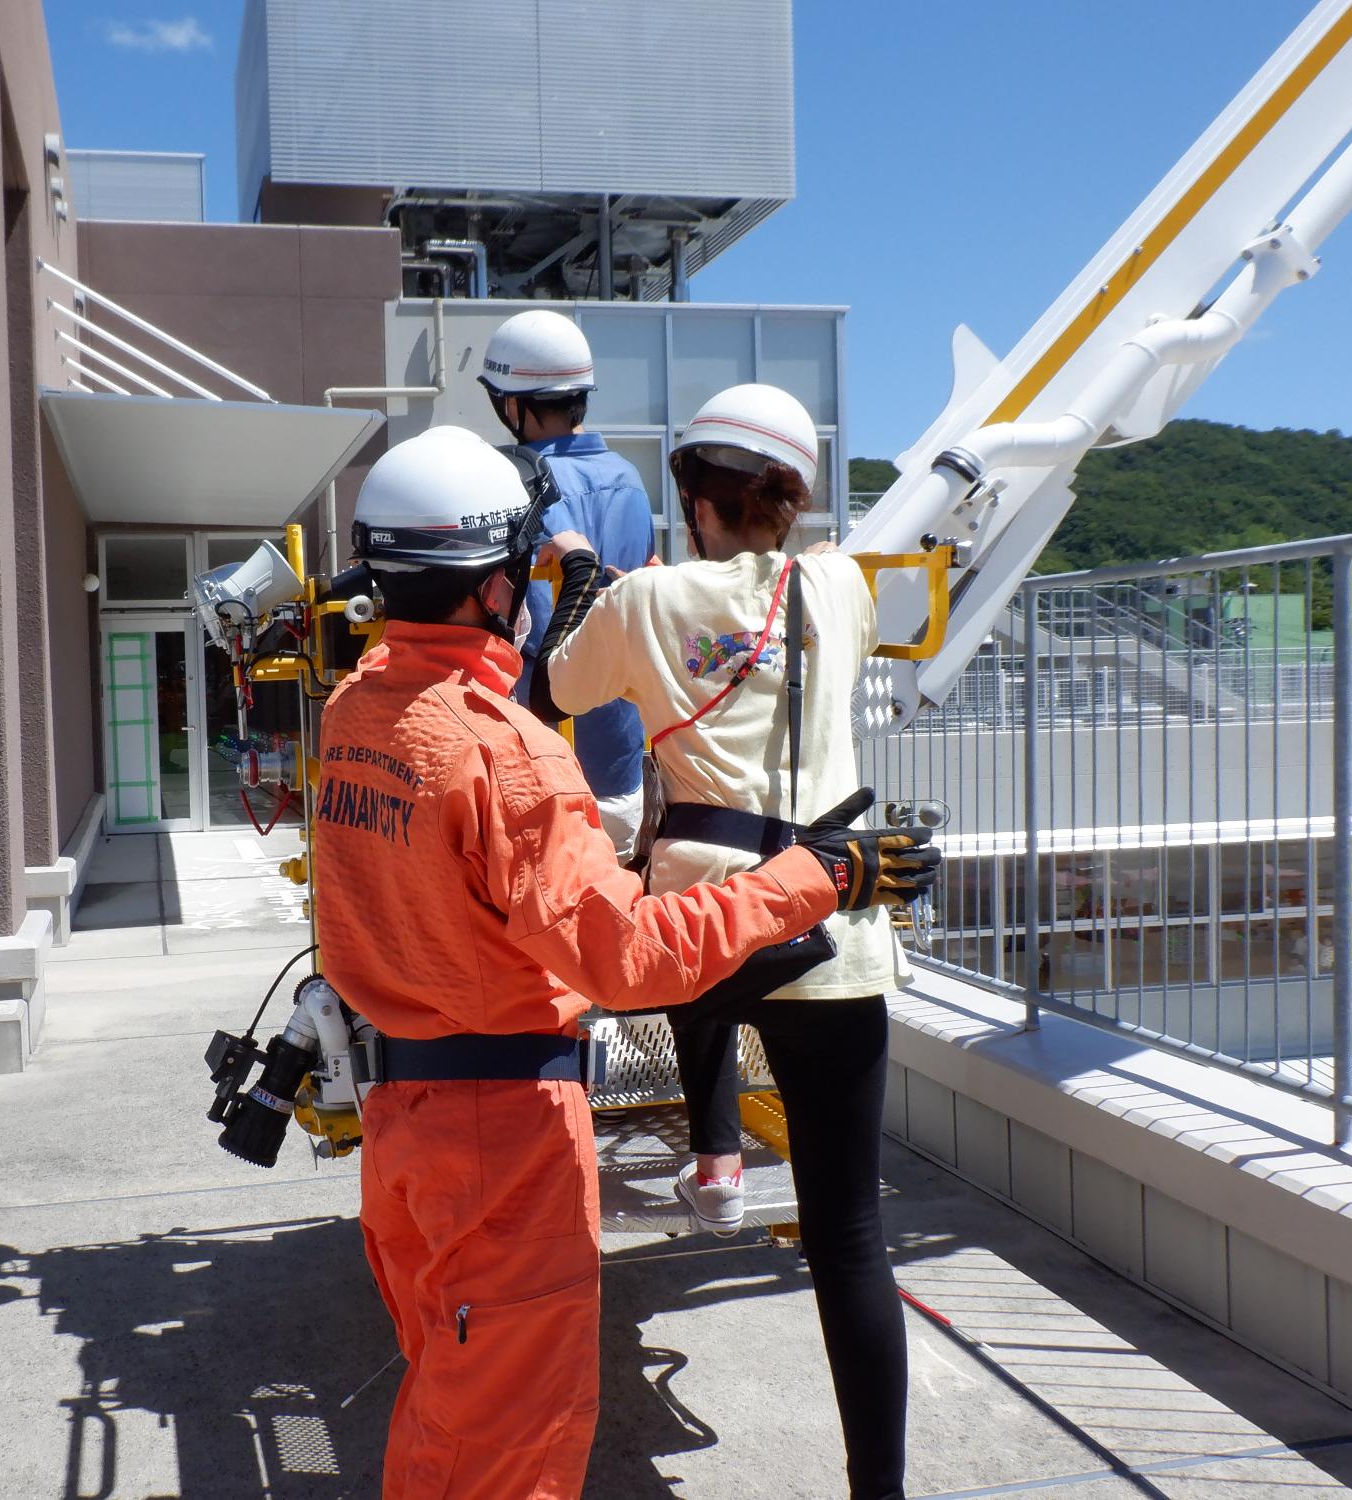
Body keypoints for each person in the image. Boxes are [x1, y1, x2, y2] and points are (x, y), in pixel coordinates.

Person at [311, 423, 937, 1500]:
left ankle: (715, 1154)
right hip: (504, 1128)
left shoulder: (353, 714)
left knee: (448, 1393)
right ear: (493, 582)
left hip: (406, 1114)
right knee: (509, 1431)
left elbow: (540, 688)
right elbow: (623, 960)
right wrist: (821, 876)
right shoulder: (510, 763)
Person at [534, 383, 924, 1500]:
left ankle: (712, 1158)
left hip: (696, 934)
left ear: (694, 496)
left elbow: (562, 686)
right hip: (831, 922)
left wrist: (580, 584)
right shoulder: (840, 587)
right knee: (849, 1234)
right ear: (789, 498)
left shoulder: (646, 598)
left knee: (693, 1001)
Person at [479, 309, 656, 861]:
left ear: (512, 403)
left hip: (540, 760)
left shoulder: (507, 480)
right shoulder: (629, 479)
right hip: (620, 759)